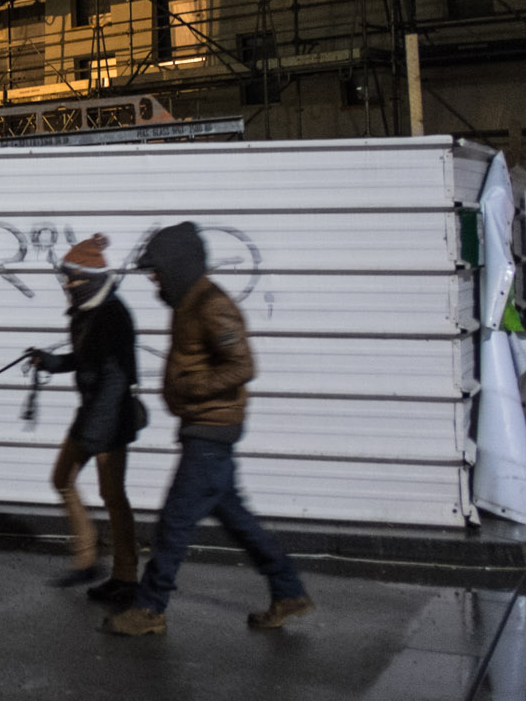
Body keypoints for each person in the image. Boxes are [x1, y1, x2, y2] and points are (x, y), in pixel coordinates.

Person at [103, 222, 313, 636]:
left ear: (179, 265)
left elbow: (242, 366)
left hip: (211, 431)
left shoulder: (211, 305)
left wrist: (192, 387)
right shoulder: (189, 301)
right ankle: (289, 592)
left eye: (157, 270)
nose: (153, 278)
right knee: (237, 520)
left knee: (174, 524)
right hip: (205, 429)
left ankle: (149, 608)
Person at [20, 234, 142, 605]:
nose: (66, 286)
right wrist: (52, 362)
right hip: (90, 414)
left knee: (112, 495)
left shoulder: (113, 314)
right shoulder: (86, 311)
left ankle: (125, 574)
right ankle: (87, 560)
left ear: (88, 278)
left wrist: (96, 431)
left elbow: (116, 378)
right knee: (62, 479)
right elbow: (85, 359)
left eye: (71, 279)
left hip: (112, 417)